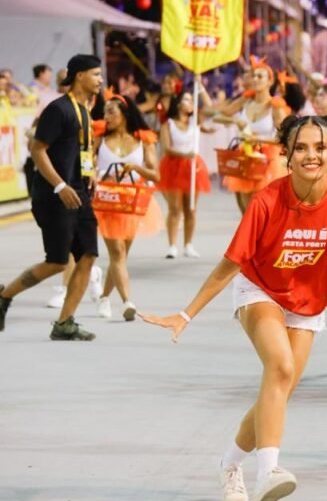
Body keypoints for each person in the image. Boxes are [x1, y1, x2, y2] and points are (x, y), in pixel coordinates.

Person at [141, 115, 327, 501]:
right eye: (302, 148)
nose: (311, 155)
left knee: (278, 391)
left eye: (320, 148)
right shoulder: (267, 200)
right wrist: (186, 314)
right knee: (280, 367)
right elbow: (230, 265)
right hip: (260, 287)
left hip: (309, 303)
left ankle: (229, 464)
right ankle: (268, 472)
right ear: (287, 155)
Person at [0, 54, 104, 339]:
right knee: (57, 261)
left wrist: (89, 174)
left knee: (88, 255)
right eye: (96, 74)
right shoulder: (58, 109)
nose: (100, 80)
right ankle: (5, 295)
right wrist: (60, 186)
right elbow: (37, 149)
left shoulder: (83, 110)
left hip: (79, 193)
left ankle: (65, 323)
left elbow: (80, 152)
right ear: (80, 76)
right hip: (55, 195)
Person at [93, 92, 161, 321]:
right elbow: (87, 165)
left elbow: (156, 174)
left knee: (120, 256)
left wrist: (136, 168)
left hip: (132, 202)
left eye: (111, 111)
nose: (106, 116)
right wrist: (98, 174)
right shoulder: (99, 138)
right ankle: (126, 302)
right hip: (106, 202)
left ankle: (103, 297)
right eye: (104, 112)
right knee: (117, 252)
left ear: (124, 113)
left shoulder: (143, 139)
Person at [219, 58, 290, 214]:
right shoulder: (245, 101)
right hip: (245, 157)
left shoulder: (275, 106)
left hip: (268, 160)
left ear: (270, 82)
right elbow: (220, 115)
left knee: (264, 209)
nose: (255, 79)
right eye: (253, 76)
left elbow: (285, 138)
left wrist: (257, 139)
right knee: (246, 211)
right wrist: (236, 121)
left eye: (260, 76)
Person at [158, 91, 213, 259]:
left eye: (191, 100)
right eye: (187, 100)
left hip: (193, 168)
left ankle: (188, 244)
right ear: (179, 104)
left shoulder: (195, 122)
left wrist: (201, 88)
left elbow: (210, 108)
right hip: (174, 166)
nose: (190, 103)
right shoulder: (168, 124)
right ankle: (172, 245)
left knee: (191, 208)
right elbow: (166, 147)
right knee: (175, 208)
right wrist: (185, 155)